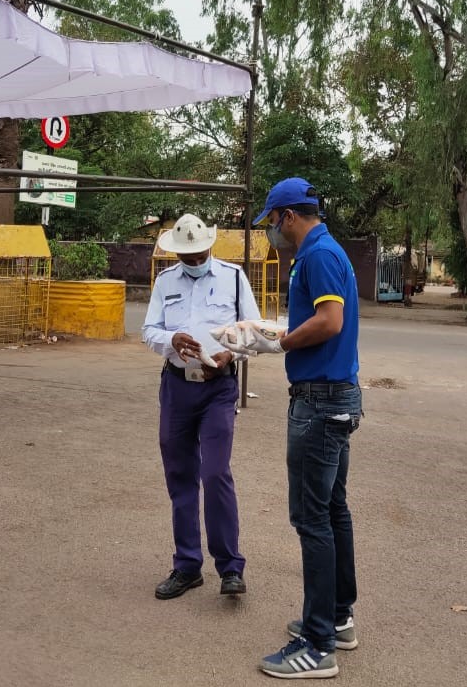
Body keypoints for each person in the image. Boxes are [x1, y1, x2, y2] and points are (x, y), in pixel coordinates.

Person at [254, 178, 362, 680]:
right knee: (333, 510)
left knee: (311, 518)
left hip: (319, 403)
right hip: (335, 396)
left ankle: (318, 644)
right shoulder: (327, 250)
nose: (272, 231)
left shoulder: (316, 254)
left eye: (272, 222)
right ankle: (338, 618)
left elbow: (331, 321)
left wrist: (282, 344)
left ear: (288, 216)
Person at [142, 213, 260, 600]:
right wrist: (170, 340)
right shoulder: (165, 281)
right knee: (180, 475)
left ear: (210, 246)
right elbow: (149, 330)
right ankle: (187, 566)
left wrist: (232, 354)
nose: (193, 260)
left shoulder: (233, 278)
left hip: (217, 389)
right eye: (186, 255)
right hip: (177, 388)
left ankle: (230, 568)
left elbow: (253, 332)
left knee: (215, 473)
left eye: (198, 253)